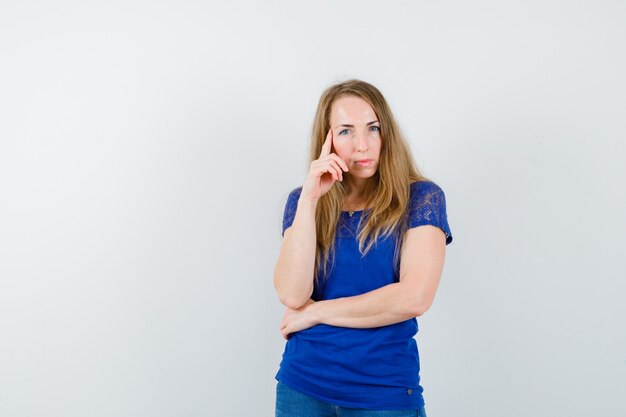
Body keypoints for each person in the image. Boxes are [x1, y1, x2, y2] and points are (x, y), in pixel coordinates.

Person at [273, 79, 453, 417]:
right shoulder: (303, 201)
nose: (362, 145)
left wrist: (317, 312)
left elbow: (414, 298)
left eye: (373, 128)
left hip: (384, 391)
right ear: (325, 139)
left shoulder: (421, 198)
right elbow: (293, 294)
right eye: (345, 131)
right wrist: (311, 200)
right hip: (303, 386)